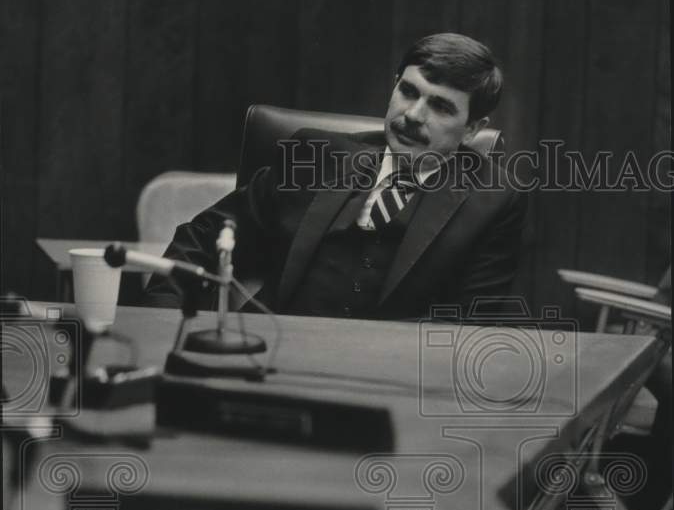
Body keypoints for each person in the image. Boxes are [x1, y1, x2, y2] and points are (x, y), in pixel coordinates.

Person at [145, 32, 527, 320]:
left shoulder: (493, 202)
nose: (413, 115)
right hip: (267, 355)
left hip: (383, 380)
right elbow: (202, 238)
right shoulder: (314, 156)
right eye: (408, 91)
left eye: (441, 107)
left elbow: (467, 323)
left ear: (472, 129)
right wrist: (164, 321)